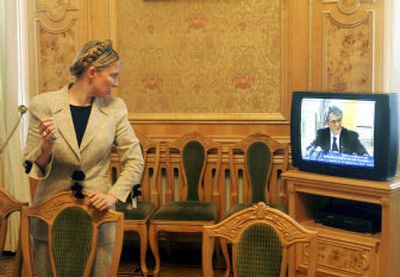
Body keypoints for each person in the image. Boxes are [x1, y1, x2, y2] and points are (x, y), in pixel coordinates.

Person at [23, 39, 144, 276]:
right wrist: (46, 147)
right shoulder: (43, 105)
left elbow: (135, 159)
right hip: (50, 217)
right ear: (92, 72)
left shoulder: (116, 108)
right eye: (113, 76)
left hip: (97, 216)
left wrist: (113, 196)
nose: (117, 83)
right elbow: (30, 164)